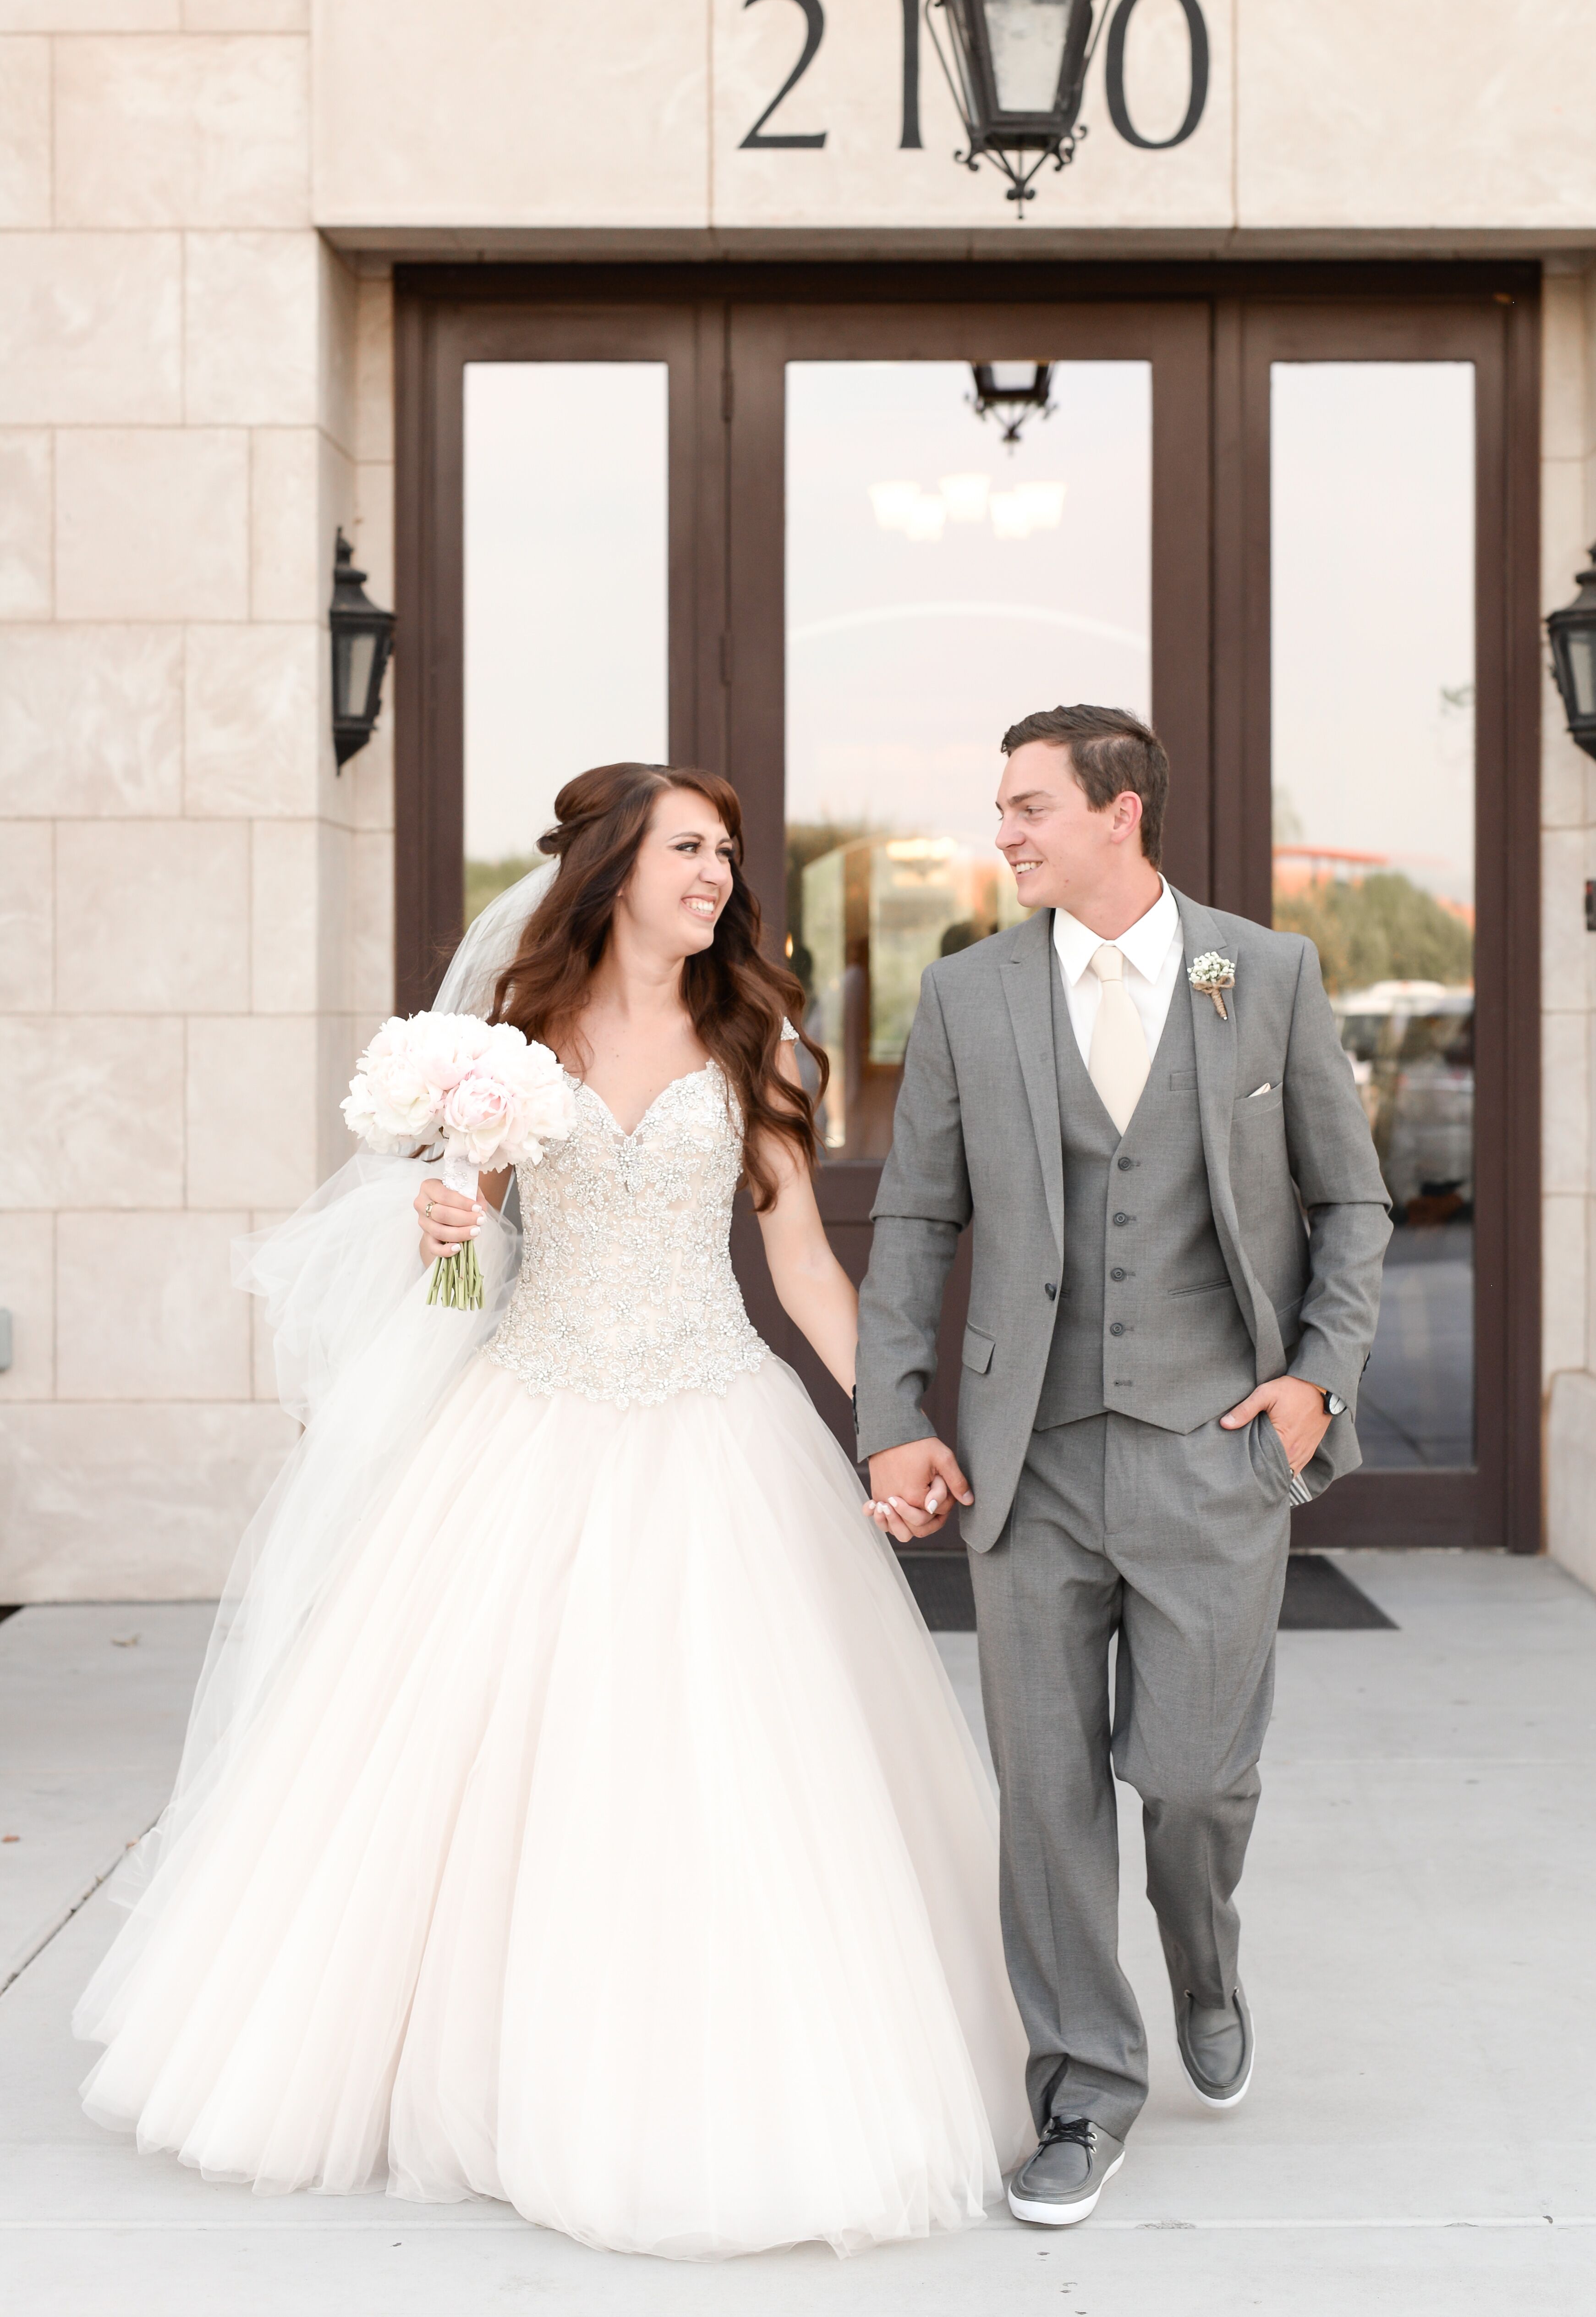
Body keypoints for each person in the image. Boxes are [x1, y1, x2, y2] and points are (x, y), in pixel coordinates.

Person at [73, 762, 1032, 2260]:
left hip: (714, 1418)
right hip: (528, 1412)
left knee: (730, 1754)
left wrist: (887, 1426)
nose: (716, 875)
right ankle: (484, 2070)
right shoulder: (511, 1048)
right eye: (687, 850)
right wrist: (446, 1228)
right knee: (477, 1757)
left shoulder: (756, 1038)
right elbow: (463, 1284)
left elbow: (800, 1270)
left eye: (726, 853)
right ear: (614, 871)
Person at [856, 706, 1390, 2228]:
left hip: (1217, 1451)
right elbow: (913, 1221)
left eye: (1028, 806)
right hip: (1026, 1461)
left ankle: (1204, 1953)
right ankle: (1083, 2079)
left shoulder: (1261, 971)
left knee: (1197, 1778)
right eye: (1002, 807)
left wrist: (1312, 1381)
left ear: (1121, 811)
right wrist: (893, 1411)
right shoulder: (966, 994)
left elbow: (1350, 1208)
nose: (1005, 831)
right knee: (1043, 1790)